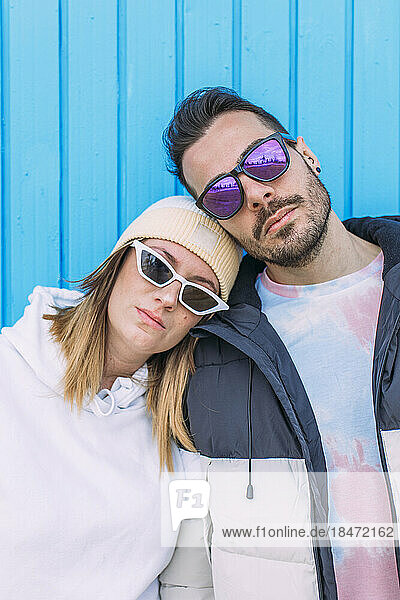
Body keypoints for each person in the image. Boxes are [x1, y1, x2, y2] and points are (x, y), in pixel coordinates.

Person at [163, 87, 400, 599]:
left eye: (264, 160)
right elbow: (190, 554)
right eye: (223, 194)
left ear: (305, 155)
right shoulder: (207, 350)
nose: (254, 193)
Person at [0, 195, 241, 600]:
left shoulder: (184, 425)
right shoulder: (10, 372)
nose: (168, 298)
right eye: (157, 267)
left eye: (197, 296)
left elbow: (189, 580)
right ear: (120, 261)